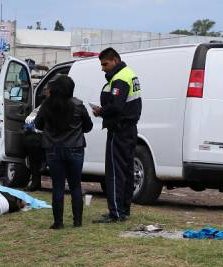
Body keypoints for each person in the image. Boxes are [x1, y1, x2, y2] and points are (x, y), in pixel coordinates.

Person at [35, 75, 93, 229]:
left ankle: (58, 222)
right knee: (75, 185)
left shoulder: (46, 105)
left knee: (58, 186)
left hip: (53, 149)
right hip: (75, 148)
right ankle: (77, 222)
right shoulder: (78, 105)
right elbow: (88, 127)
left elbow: (38, 125)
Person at [92, 47, 142, 223]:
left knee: (115, 172)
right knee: (127, 171)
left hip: (119, 130)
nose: (103, 68)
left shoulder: (120, 78)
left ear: (114, 60)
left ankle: (116, 212)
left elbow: (116, 106)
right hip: (129, 129)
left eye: (105, 64)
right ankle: (124, 209)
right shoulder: (130, 73)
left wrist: (100, 111)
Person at [23, 106, 44, 192]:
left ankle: (35, 184)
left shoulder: (41, 109)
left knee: (34, 164)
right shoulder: (41, 108)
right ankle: (36, 184)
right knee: (35, 163)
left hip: (36, 138)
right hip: (36, 138)